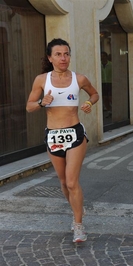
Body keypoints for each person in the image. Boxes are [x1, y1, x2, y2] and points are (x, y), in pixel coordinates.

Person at [26, 38, 99, 242]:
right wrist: (42, 102)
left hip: (74, 133)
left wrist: (88, 103)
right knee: (64, 182)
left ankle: (78, 225)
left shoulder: (79, 79)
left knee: (72, 181)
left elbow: (95, 94)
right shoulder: (41, 80)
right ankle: (77, 209)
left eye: (66, 53)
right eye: (58, 54)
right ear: (50, 58)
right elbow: (29, 106)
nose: (63, 58)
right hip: (53, 136)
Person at [101, 51, 112, 118]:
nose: (102, 57)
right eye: (101, 56)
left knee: (110, 98)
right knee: (105, 98)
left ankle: (114, 110)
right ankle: (109, 111)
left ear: (106, 57)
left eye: (104, 56)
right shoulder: (99, 64)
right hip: (103, 83)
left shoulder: (111, 64)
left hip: (110, 82)